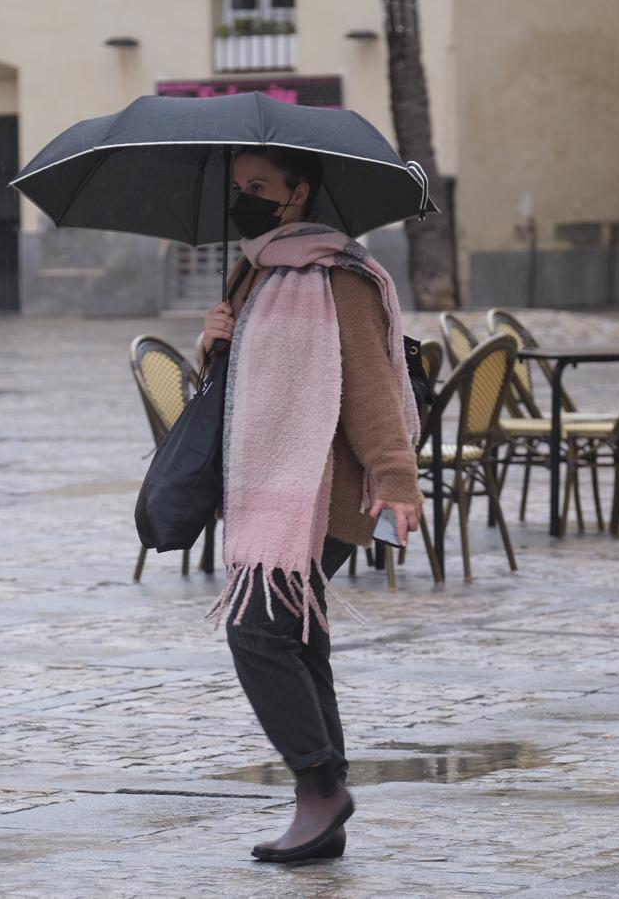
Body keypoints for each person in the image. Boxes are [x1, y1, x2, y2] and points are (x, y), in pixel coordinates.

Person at [197, 146, 423, 863]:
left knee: (256, 633)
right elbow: (237, 388)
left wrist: (395, 478)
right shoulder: (253, 268)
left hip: (324, 485)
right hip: (266, 480)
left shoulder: (340, 275)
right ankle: (323, 803)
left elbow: (369, 387)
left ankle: (319, 786)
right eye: (240, 187)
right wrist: (212, 343)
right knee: (296, 638)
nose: (247, 198)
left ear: (299, 192)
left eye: (259, 186)